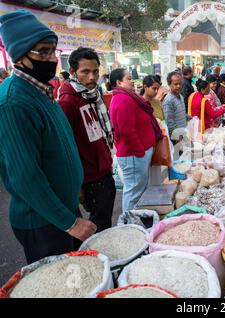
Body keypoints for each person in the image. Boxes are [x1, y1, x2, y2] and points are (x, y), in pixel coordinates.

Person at [0, 9, 96, 264]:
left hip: (62, 209)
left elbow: (59, 148)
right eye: (42, 51)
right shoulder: (13, 102)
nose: (51, 58)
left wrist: (74, 188)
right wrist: (69, 223)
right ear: (19, 56)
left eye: (53, 50)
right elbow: (25, 177)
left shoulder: (42, 90)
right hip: (43, 222)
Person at [58, 47, 116, 233]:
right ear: (73, 73)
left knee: (105, 219)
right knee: (99, 226)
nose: (92, 77)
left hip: (103, 170)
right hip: (89, 177)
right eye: (85, 72)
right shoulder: (68, 102)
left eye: (95, 71)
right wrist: (78, 187)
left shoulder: (93, 95)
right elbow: (66, 148)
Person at [109, 68, 162, 214]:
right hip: (134, 154)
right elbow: (126, 131)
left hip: (138, 154)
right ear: (119, 82)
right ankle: (128, 222)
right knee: (133, 192)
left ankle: (135, 218)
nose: (132, 81)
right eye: (128, 78)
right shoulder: (123, 99)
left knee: (137, 190)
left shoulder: (129, 97)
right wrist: (140, 151)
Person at [163, 71, 188, 143]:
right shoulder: (168, 100)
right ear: (169, 84)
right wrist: (176, 136)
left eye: (180, 84)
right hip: (177, 137)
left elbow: (179, 113)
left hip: (183, 133)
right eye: (175, 84)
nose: (178, 86)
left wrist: (187, 116)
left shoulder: (180, 96)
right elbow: (169, 121)